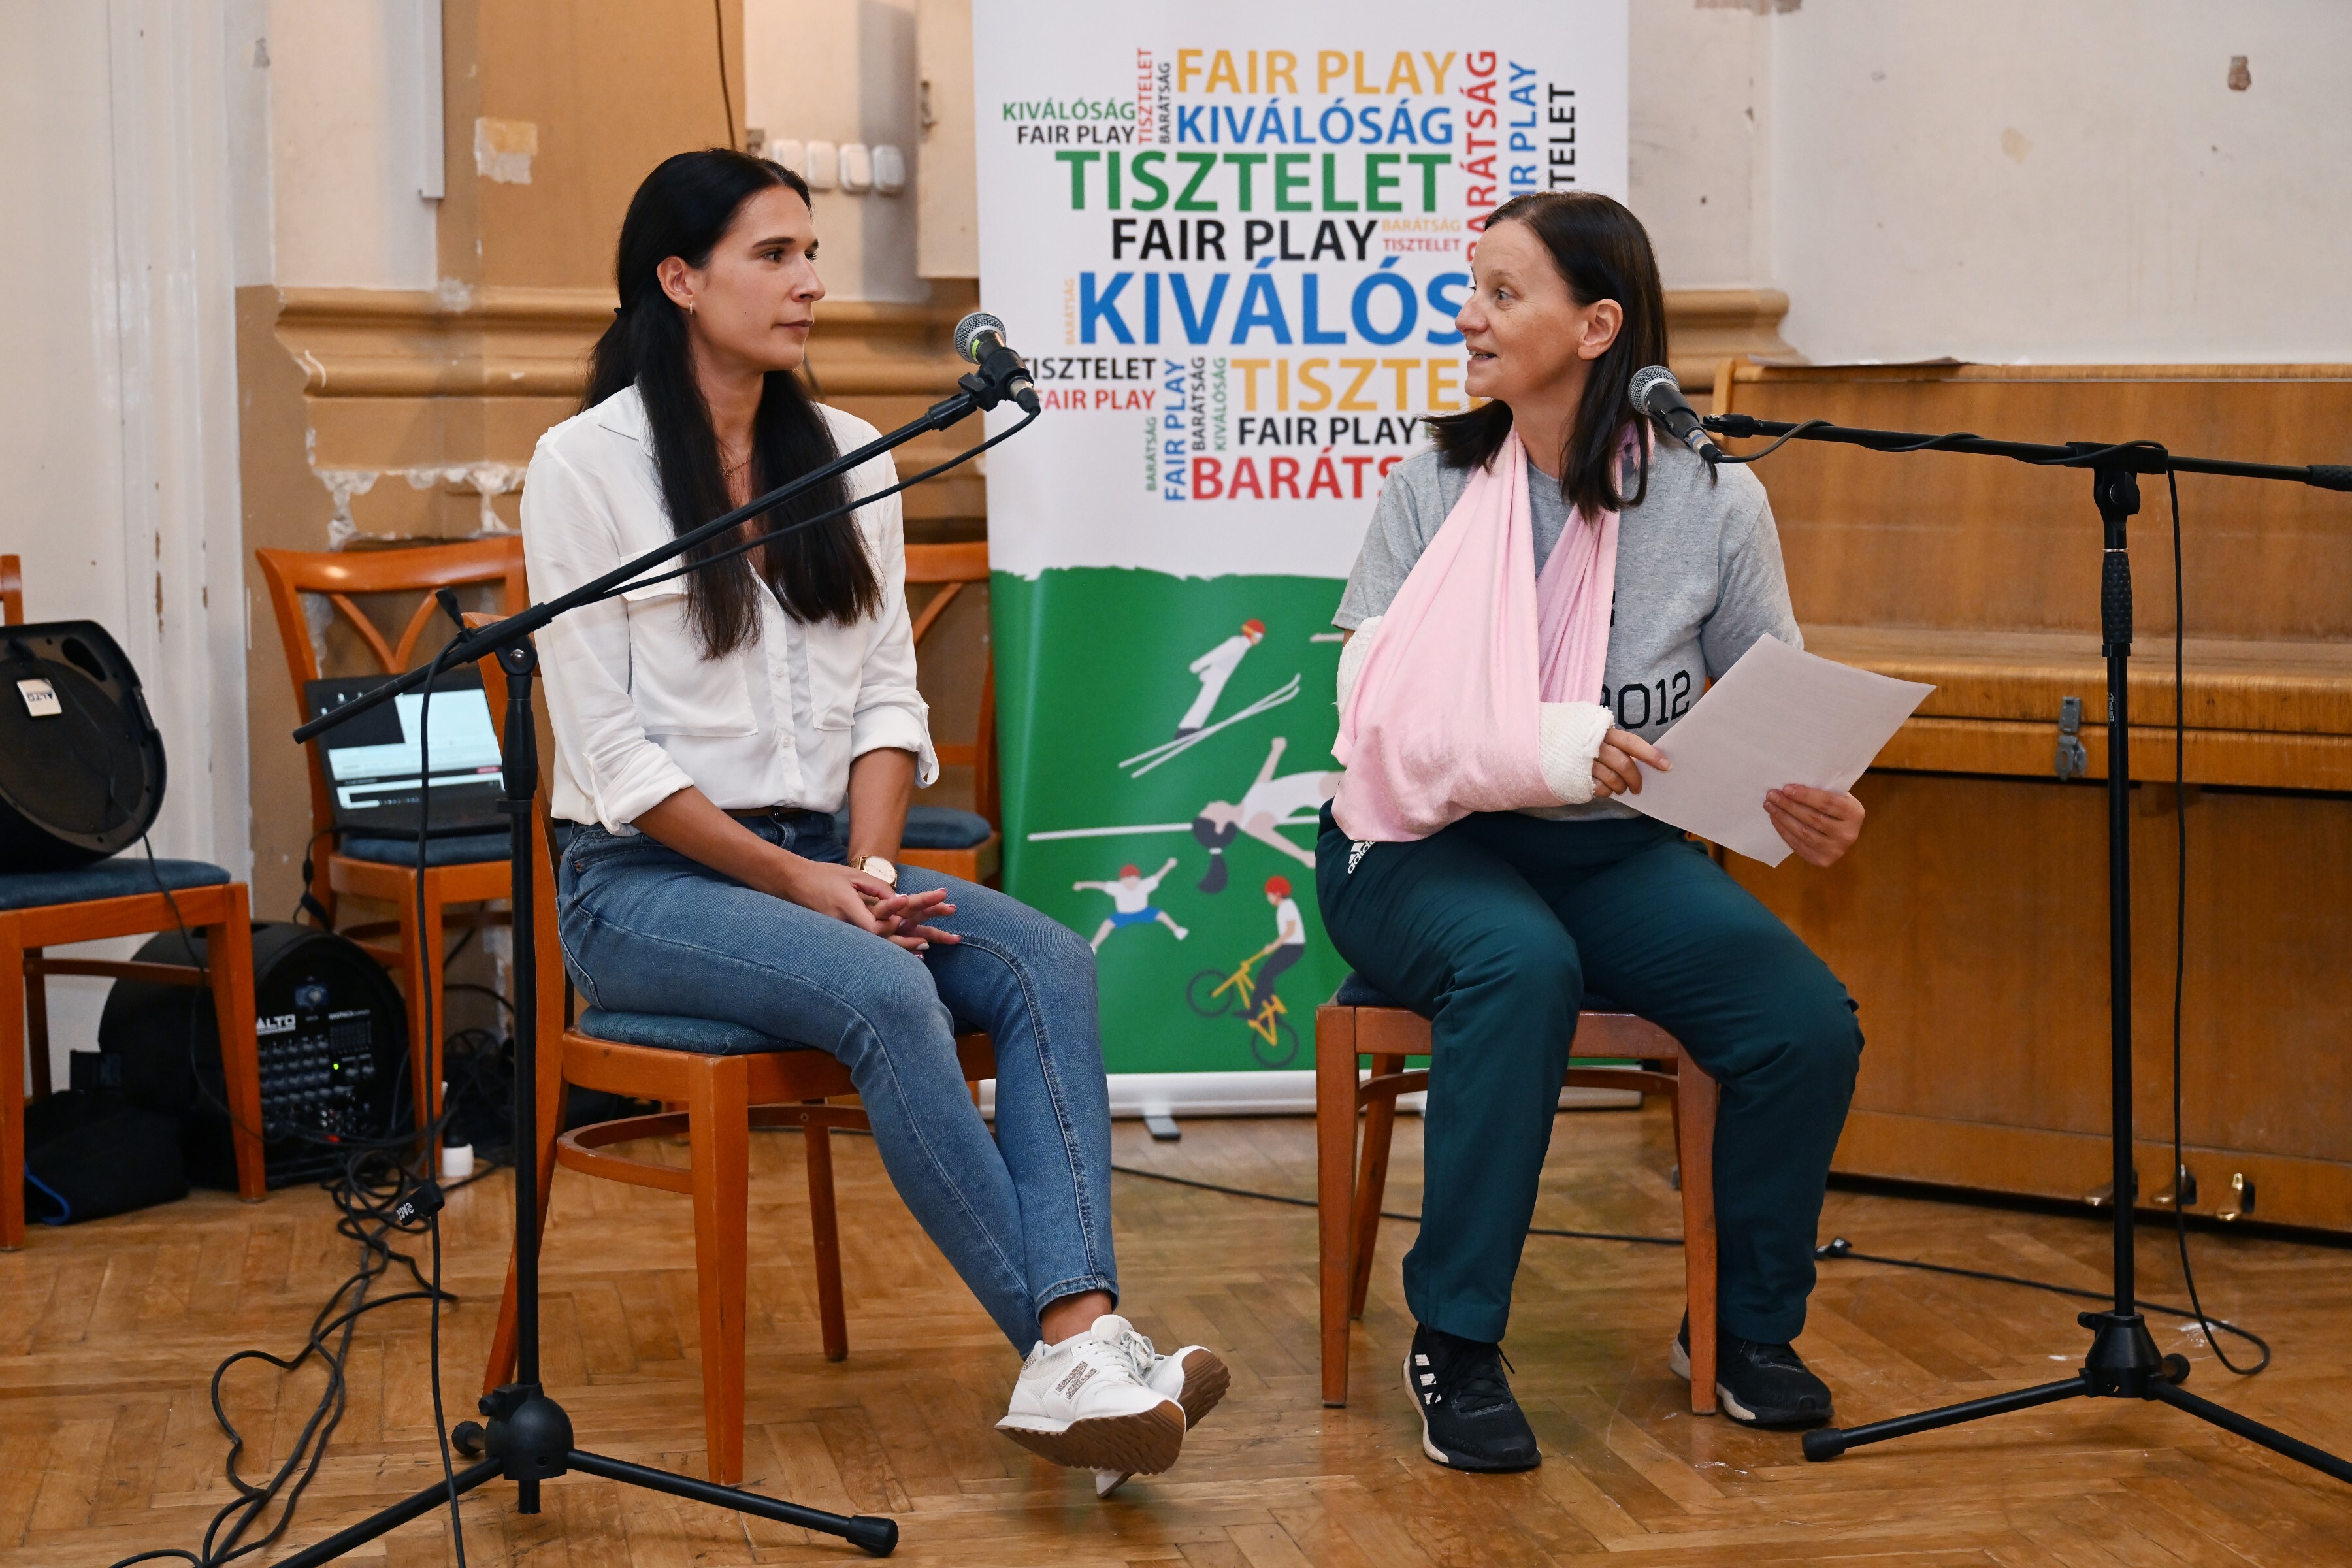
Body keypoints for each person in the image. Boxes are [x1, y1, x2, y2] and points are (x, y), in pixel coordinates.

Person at [521, 148, 1226, 1482]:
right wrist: (808, 890)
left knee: (1047, 962)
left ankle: (1080, 1352)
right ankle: (1074, 1353)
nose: (811, 282)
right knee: (890, 993)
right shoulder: (585, 466)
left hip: (827, 862)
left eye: (811, 254)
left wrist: (872, 865)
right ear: (679, 280)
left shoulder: (850, 456)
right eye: (774, 255)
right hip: (643, 886)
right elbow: (611, 756)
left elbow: (889, 701)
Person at [1316, 191, 1867, 1472]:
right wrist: (1551, 739)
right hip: (1415, 849)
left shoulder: (1712, 499)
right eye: (1474, 287)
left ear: (1597, 326)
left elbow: (1771, 701)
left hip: (1608, 850)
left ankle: (1743, 1330)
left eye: (1503, 293)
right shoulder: (1437, 486)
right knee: (1519, 965)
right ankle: (1456, 1342)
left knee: (1801, 1021)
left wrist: (1811, 797)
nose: (1469, 315)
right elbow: (1377, 716)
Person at [1175, 617, 1265, 736]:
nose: (1259, 639)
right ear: (1250, 633)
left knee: (1209, 700)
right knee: (1206, 700)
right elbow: (1218, 654)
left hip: (1220, 674)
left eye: (1261, 637)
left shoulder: (1243, 645)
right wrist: (1200, 664)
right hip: (1218, 674)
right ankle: (1186, 729)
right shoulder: (1237, 643)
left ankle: (1192, 727)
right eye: (1258, 636)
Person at [1074, 859, 1188, 949]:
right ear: (1121, 880)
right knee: (1107, 924)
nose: (1130, 883)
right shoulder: (1116, 888)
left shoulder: (1144, 885)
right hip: (1123, 915)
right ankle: (1094, 946)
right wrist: (1083, 885)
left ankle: (1178, 930)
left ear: (1139, 879)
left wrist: (1168, 865)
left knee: (1161, 915)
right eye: (1127, 880)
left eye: (1133, 879)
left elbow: (1158, 877)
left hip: (1143, 911)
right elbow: (1100, 885)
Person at [1247, 875, 1307, 1023]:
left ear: (1278, 894)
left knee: (1264, 976)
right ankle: (1271, 1013)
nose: (1268, 898)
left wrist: (1273, 946)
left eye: (1269, 895)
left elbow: (1290, 930)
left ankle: (1255, 1012)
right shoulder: (1283, 907)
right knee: (1266, 976)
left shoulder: (1288, 906)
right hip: (1289, 948)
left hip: (1293, 948)